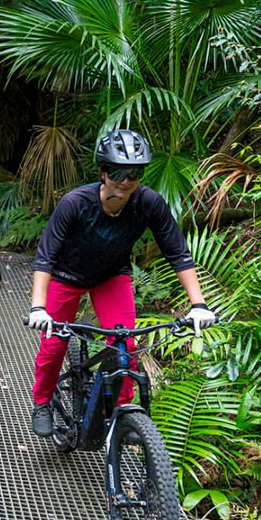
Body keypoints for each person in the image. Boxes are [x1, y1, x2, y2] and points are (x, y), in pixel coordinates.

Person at [24, 129, 218, 437]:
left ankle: (121, 412)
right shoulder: (76, 203)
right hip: (65, 276)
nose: (125, 181)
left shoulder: (148, 203)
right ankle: (43, 402)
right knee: (54, 342)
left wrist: (199, 305)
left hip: (111, 276)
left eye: (134, 173)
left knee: (125, 344)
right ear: (102, 172)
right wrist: (38, 308)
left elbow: (178, 253)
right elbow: (45, 258)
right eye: (116, 171)